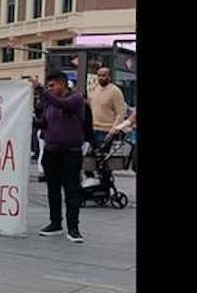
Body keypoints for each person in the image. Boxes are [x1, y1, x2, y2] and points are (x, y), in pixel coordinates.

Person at [30, 72, 86, 243]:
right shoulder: (49, 103)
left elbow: (62, 104)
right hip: (51, 151)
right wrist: (31, 118)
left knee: (71, 190)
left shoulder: (75, 98)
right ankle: (55, 223)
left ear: (62, 84)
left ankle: (73, 228)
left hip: (70, 152)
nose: (49, 89)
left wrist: (39, 89)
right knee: (52, 189)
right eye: (48, 86)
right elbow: (44, 124)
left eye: (52, 85)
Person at [88, 67, 127, 149]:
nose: (101, 78)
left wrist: (112, 131)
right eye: (99, 75)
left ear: (109, 77)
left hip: (107, 131)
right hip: (92, 130)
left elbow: (120, 113)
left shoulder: (115, 91)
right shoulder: (93, 89)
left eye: (104, 75)